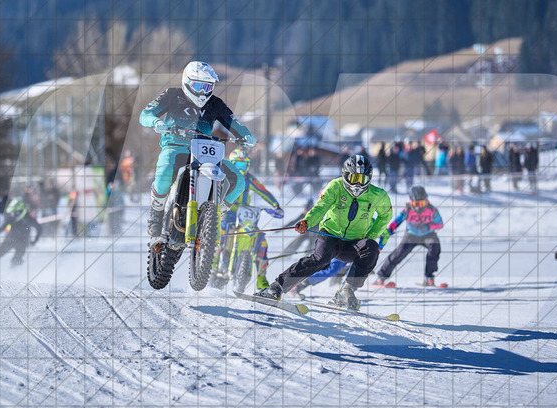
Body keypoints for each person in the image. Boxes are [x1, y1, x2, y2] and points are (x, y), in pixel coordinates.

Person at [255, 155, 393, 310]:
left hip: (353, 243)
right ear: (345, 174)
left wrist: (370, 236)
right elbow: (321, 207)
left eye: (362, 179)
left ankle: (347, 290)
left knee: (371, 247)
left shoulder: (378, 195)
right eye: (354, 178)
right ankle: (277, 286)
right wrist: (307, 222)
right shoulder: (335, 186)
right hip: (331, 235)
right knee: (321, 259)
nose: (357, 183)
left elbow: (385, 216)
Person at [139, 61, 256, 237]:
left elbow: (234, 123)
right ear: (186, 81)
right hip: (176, 146)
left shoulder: (215, 103)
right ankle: (156, 214)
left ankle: (214, 217)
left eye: (207, 87)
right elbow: (145, 114)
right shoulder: (172, 95)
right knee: (164, 171)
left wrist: (246, 135)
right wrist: (156, 122)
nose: (202, 92)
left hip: (204, 152)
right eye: (198, 86)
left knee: (238, 181)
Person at [214, 148, 284, 289]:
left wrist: (275, 205)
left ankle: (261, 278)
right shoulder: (223, 176)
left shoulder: (250, 179)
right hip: (227, 213)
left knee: (261, 240)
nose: (241, 169)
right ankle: (213, 266)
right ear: (231, 164)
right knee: (219, 234)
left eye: (244, 165)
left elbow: (263, 191)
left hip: (244, 214)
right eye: (237, 165)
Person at [372, 186, 444, 287]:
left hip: (428, 234)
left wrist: (428, 226)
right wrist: (390, 230)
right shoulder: (408, 210)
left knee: (434, 247)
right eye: (416, 204)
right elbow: (397, 221)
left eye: (422, 203)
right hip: (411, 235)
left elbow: (440, 224)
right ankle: (381, 277)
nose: (419, 207)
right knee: (398, 254)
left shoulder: (432, 210)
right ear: (411, 202)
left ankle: (429, 277)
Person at [0, 197, 42, 272]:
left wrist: (35, 241)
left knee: (16, 260)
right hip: (11, 240)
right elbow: (2, 227)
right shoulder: (13, 217)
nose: (16, 214)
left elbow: (39, 228)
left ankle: (12, 274)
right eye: (15, 212)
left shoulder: (28, 217)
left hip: (21, 242)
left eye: (18, 212)